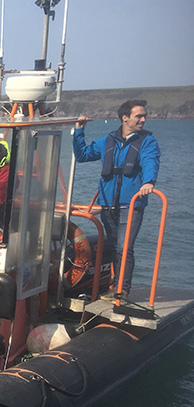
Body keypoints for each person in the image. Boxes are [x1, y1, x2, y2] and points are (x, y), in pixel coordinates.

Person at [73, 100, 160, 300]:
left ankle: (122, 290)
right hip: (107, 203)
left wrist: (148, 181)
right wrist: (79, 131)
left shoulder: (147, 142)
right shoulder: (108, 140)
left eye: (144, 116)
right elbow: (83, 155)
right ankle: (113, 285)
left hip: (130, 205)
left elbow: (150, 161)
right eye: (139, 116)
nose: (143, 119)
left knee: (124, 247)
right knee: (113, 246)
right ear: (125, 118)